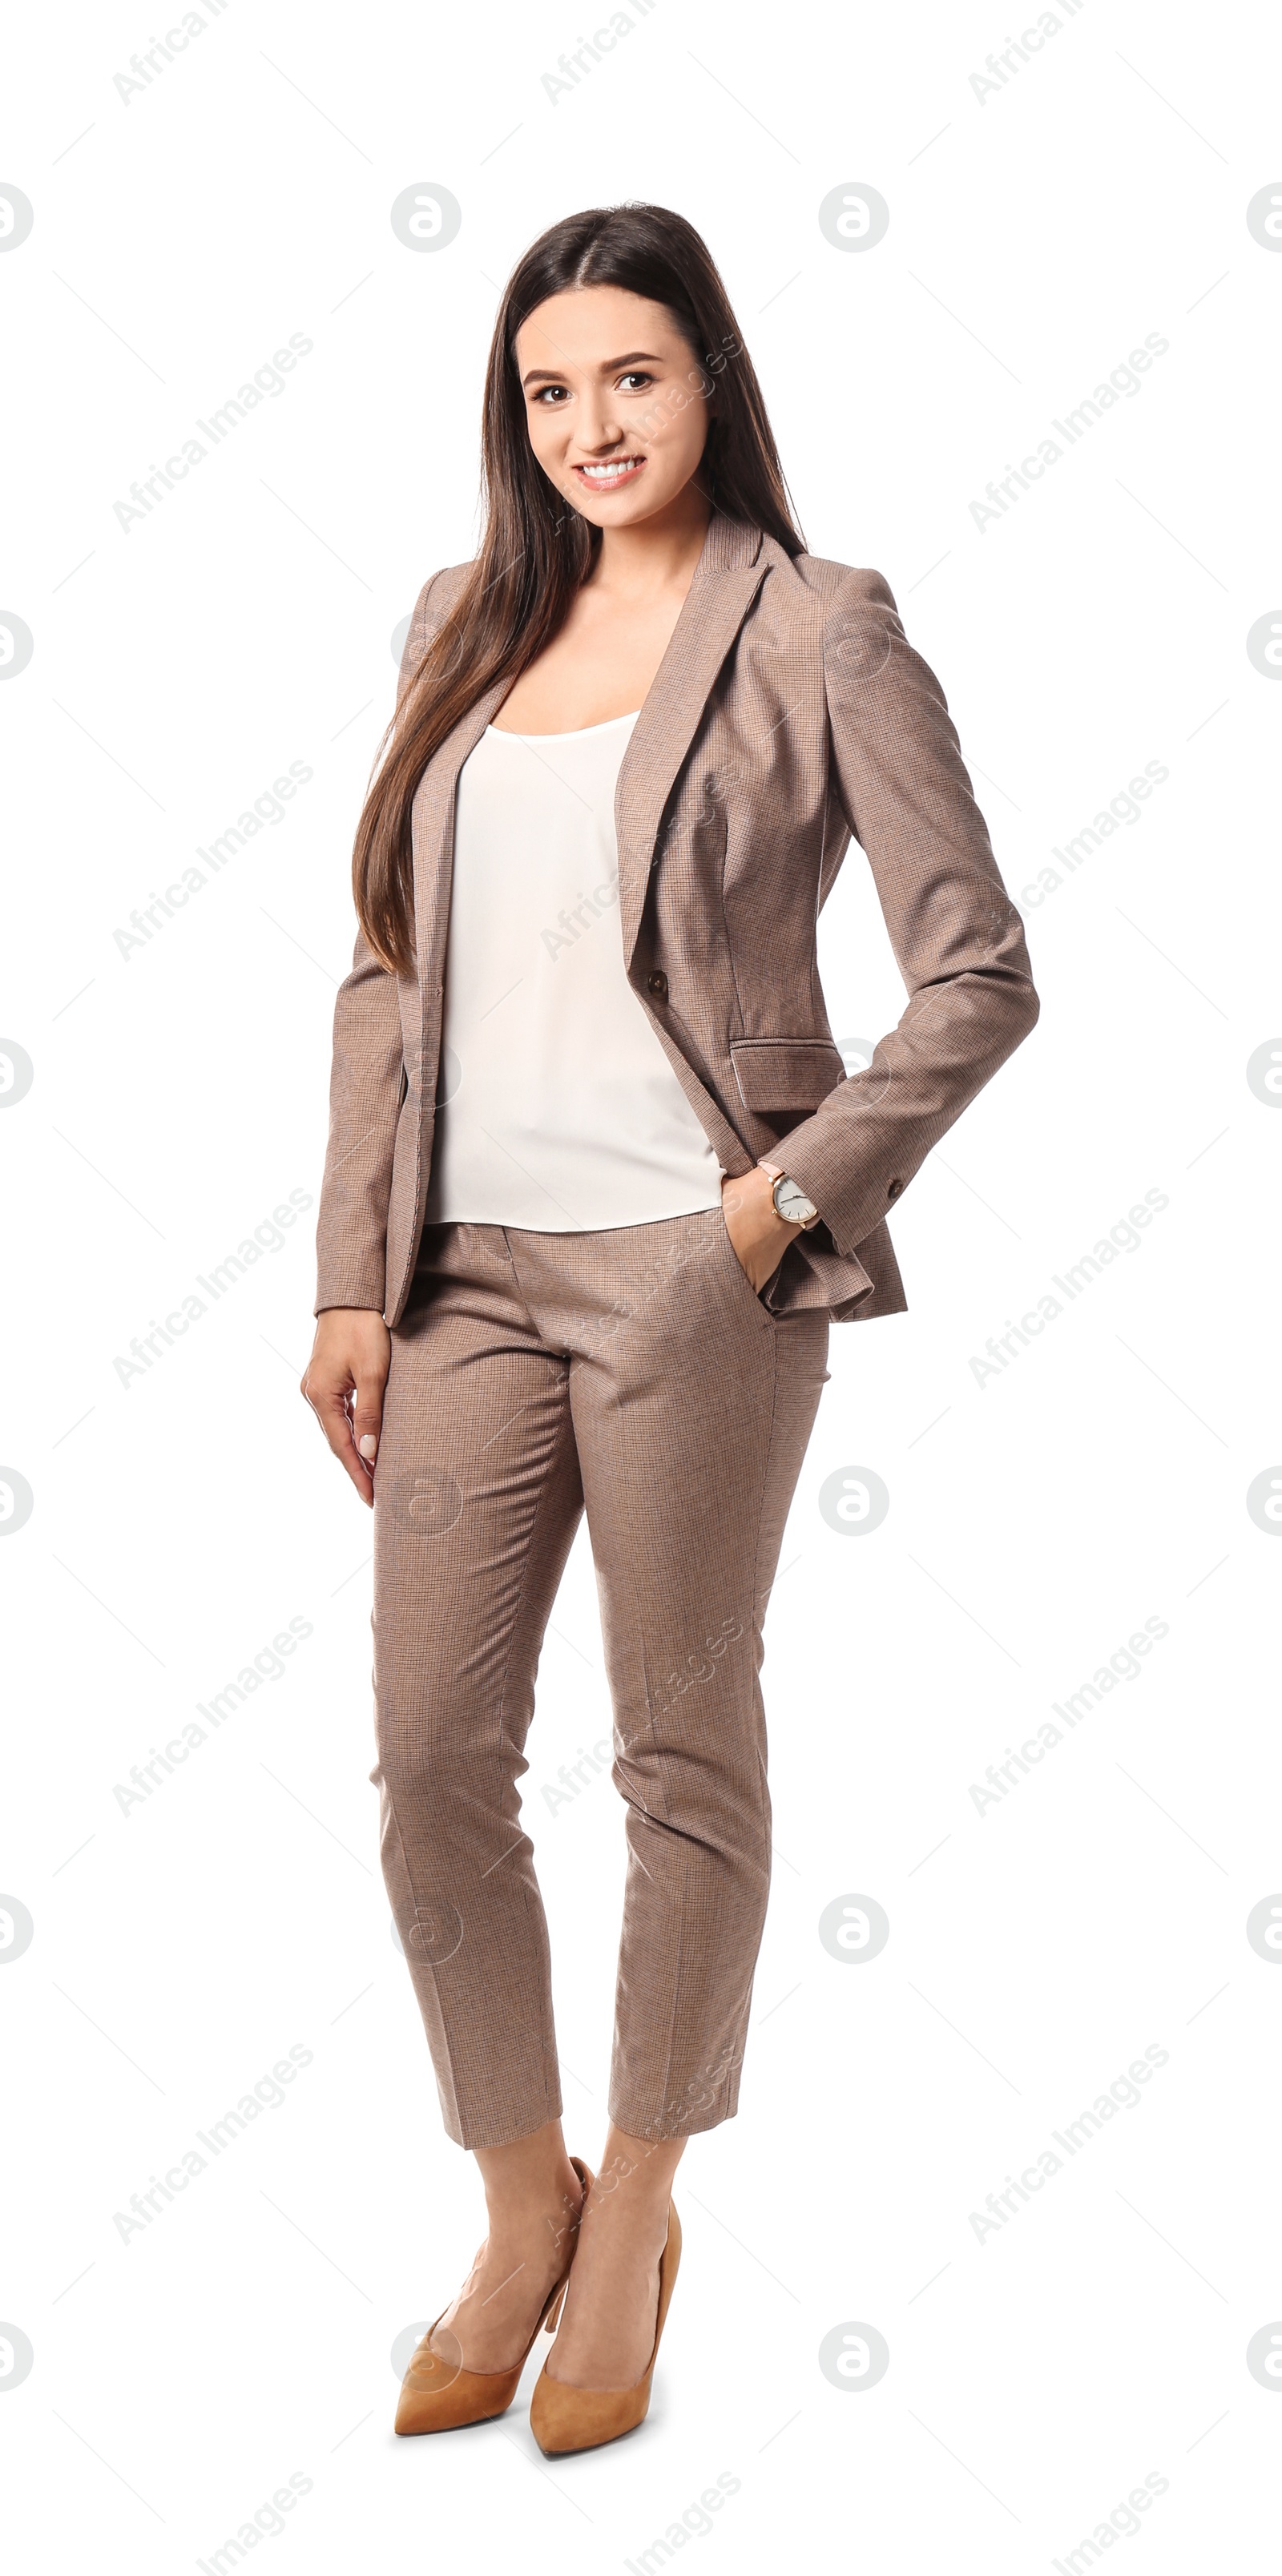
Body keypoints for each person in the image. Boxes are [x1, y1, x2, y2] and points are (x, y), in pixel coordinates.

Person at [300, 201, 1038, 2457]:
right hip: (457, 1286)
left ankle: (637, 2212)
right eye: (550, 390)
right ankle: (517, 2197)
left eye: (632, 375)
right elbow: (390, 969)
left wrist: (773, 1206)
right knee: (434, 1769)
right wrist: (349, 1269)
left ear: (708, 376)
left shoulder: (818, 629)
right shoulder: (466, 620)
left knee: (674, 1755)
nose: (593, 423)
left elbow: (978, 966)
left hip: (689, 1278)